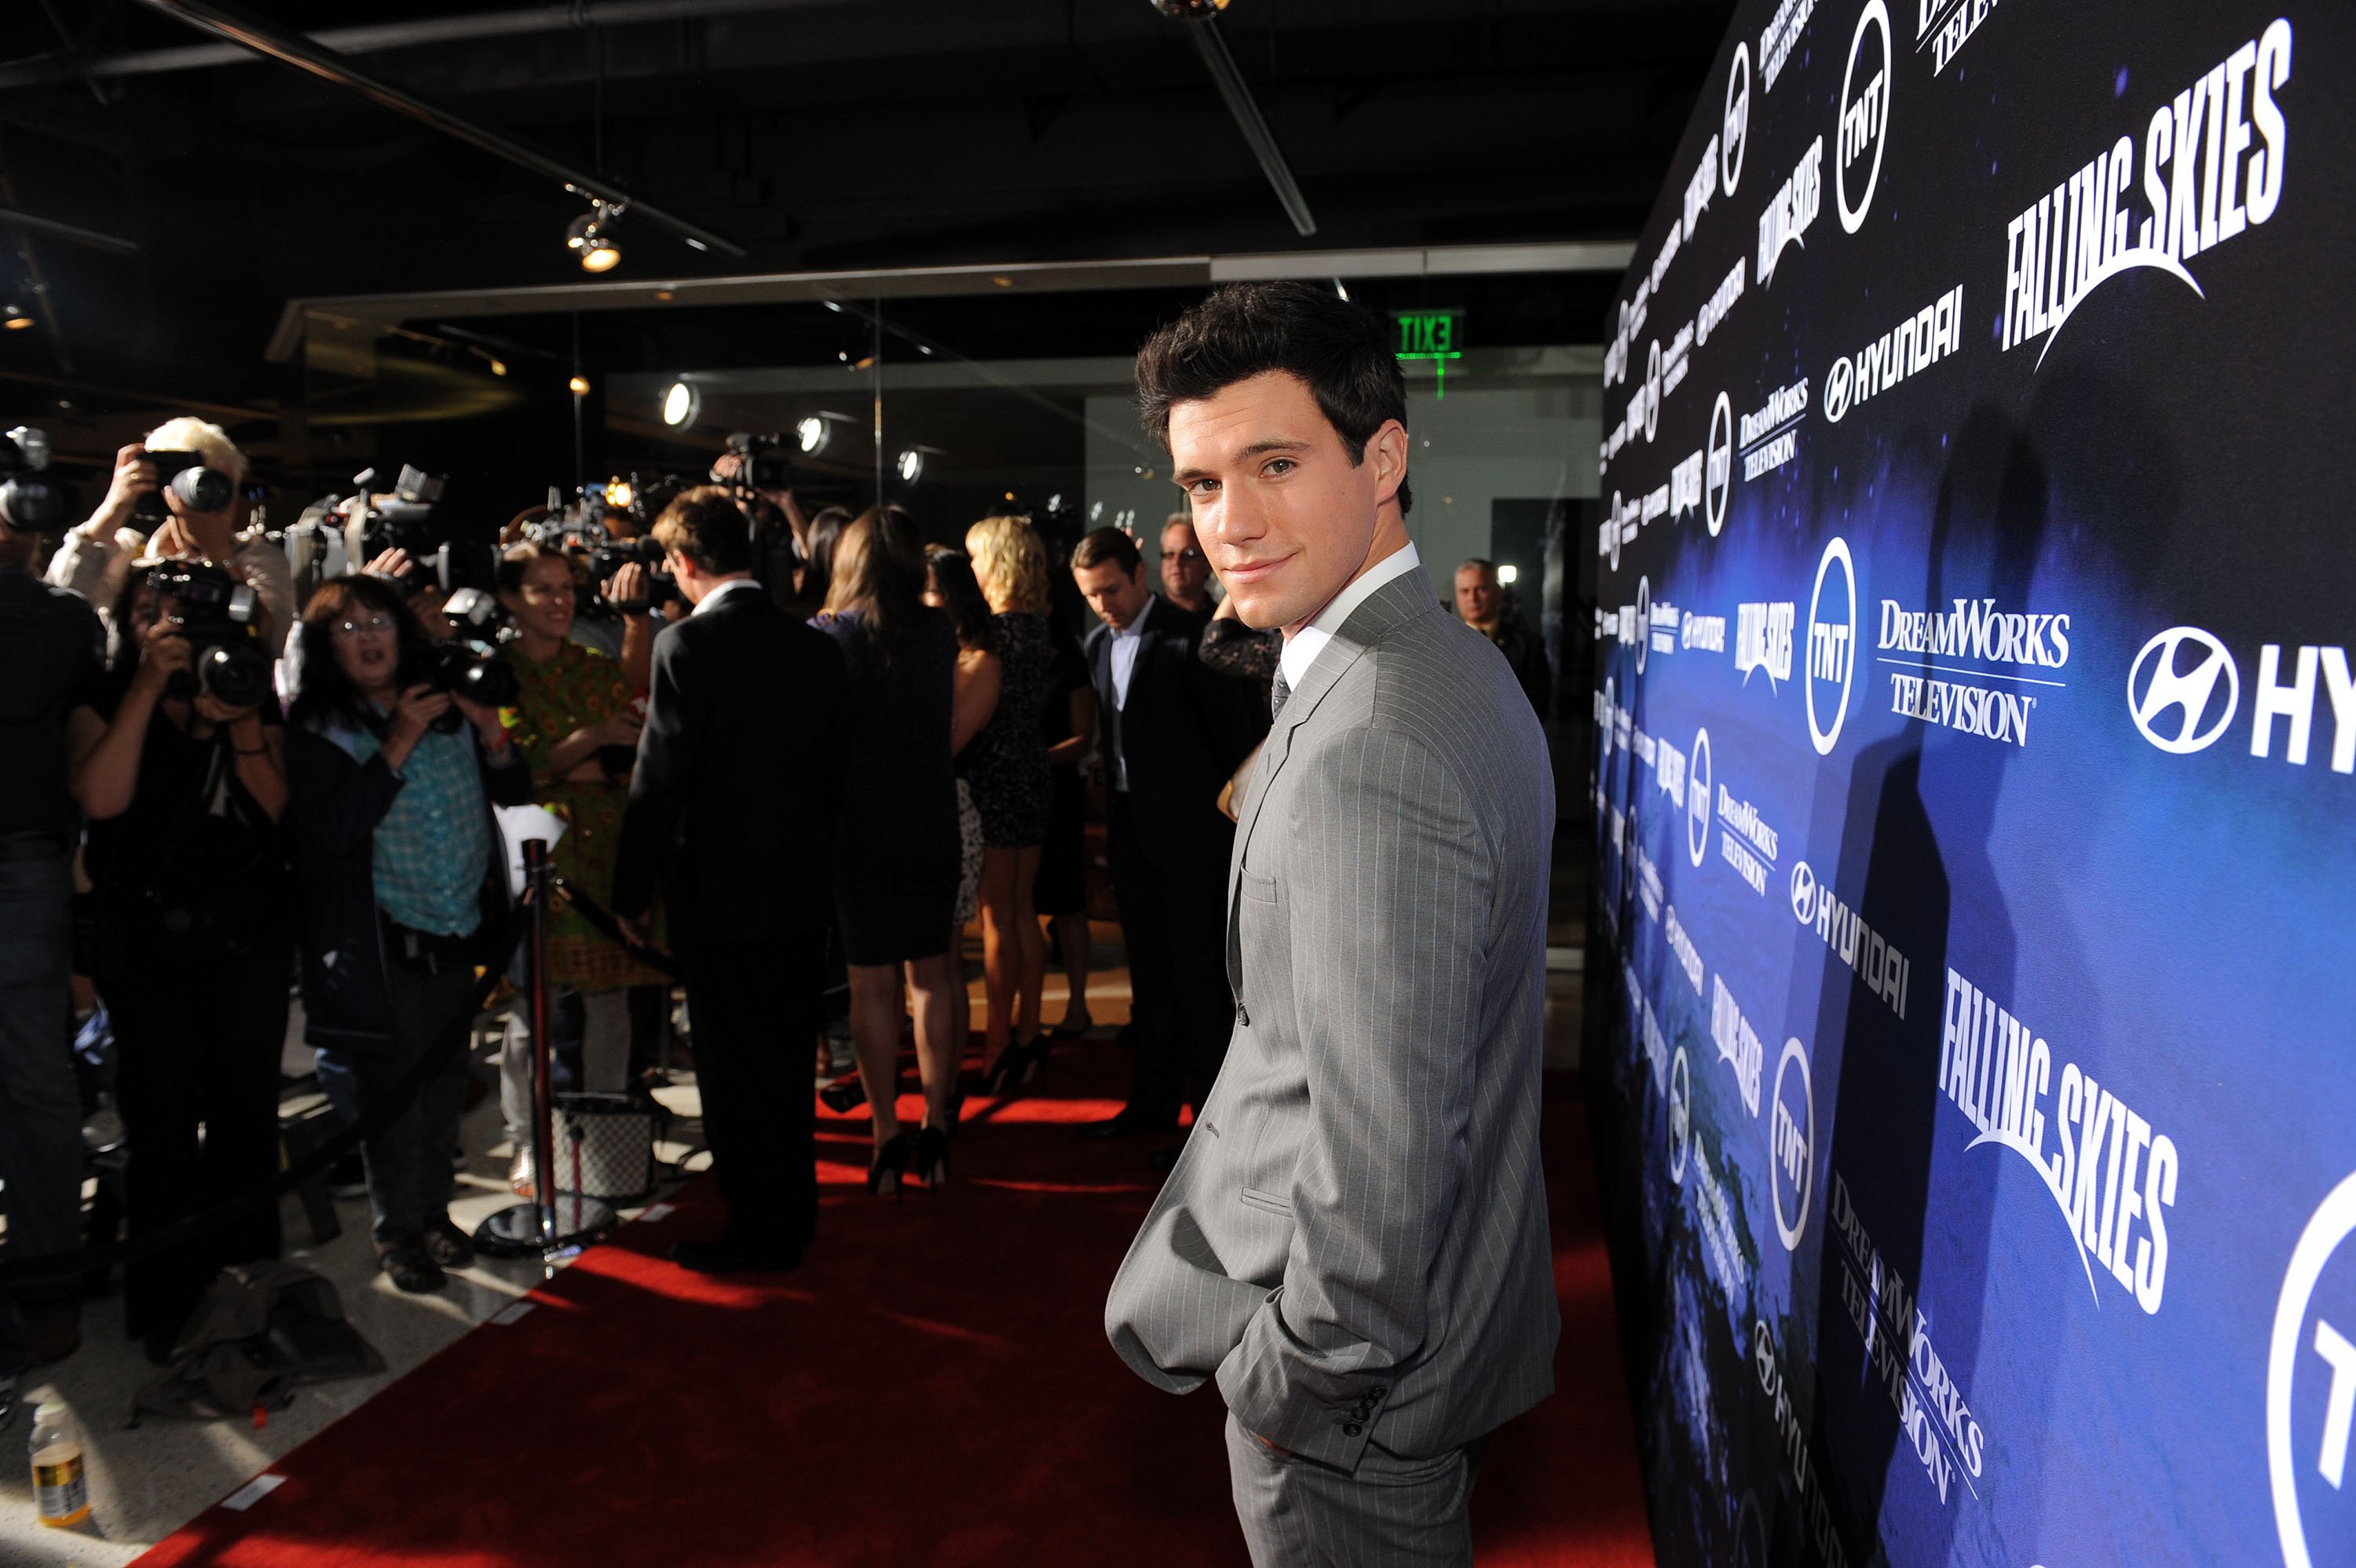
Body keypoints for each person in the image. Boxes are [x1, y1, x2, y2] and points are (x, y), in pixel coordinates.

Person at [1105, 282, 1559, 1565]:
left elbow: (1385, 1161)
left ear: (1385, 456)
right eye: (1200, 483)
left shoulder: (1377, 734)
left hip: (1359, 1416)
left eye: (1275, 463)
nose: (1229, 523)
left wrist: (1289, 1384)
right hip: (1432, 1353)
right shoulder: (1434, 664)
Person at [614, 487, 847, 1271]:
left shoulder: (684, 645)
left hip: (718, 902)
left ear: (683, 563)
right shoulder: (814, 646)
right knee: (784, 1066)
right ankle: (793, 1216)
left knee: (732, 1074)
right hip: (800, 895)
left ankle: (757, 1231)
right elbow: (835, 777)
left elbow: (657, 783)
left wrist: (627, 893)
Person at [68, 561, 294, 1353]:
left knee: (244, 1117)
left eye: (185, 611)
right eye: (150, 611)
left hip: (244, 937)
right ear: (129, 623)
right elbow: (101, 800)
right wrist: (145, 690)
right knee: (161, 1125)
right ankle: (165, 1309)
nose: (169, 624)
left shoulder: (240, 683)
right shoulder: (102, 696)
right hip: (147, 942)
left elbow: (271, 807)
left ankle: (252, 1292)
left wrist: (237, 718)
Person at [285, 574, 529, 1296]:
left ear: (404, 631)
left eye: (379, 622)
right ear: (327, 647)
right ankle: (398, 1231)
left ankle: (433, 1214)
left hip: (460, 935)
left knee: (447, 1089)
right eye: (349, 628)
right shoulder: (320, 729)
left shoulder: (445, 704)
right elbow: (333, 832)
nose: (367, 637)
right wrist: (398, 737)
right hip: (385, 945)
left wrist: (490, 733)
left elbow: (514, 802)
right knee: (391, 1100)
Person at [1070, 527, 1264, 1145]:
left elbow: (1234, 744)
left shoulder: (1191, 642)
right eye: (1090, 594)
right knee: (1149, 980)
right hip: (1131, 837)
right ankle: (1149, 1110)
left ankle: (1209, 1131)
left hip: (1193, 843)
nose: (1103, 604)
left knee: (1198, 982)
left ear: (1138, 576)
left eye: (1110, 589)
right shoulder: (1099, 645)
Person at [491, 544, 671, 1198]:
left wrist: (584, 750)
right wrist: (589, 743)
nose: (561, 600)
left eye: (567, 587)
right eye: (542, 590)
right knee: (531, 1012)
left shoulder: (594, 667)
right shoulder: (497, 674)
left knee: (611, 1002)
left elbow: (628, 746)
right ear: (510, 599)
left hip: (604, 853)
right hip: (537, 856)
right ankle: (528, 1144)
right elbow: (521, 767)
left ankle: (602, 1134)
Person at [806, 507, 964, 1194]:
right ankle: (938, 1125)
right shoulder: (936, 629)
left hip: (857, 825)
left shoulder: (828, 636)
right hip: (927, 816)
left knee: (871, 984)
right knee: (932, 976)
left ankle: (883, 1133)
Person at [0, 495, 104, 1403]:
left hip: (19, 868)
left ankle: (44, 1284)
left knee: (35, 1083)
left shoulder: (51, 617)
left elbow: (29, 681)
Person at [46, 418, 298, 656]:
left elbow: (272, 640)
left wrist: (220, 554)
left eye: (225, 483)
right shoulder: (131, 555)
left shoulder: (257, 556)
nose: (216, 495)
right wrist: (114, 507)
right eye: (204, 481)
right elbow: (61, 602)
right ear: (166, 487)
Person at [963, 515, 1056, 1092]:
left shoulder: (993, 635)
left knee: (1000, 916)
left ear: (996, 560)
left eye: (974, 556)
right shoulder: (1039, 627)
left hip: (997, 773)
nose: (968, 567)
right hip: (1033, 768)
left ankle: (997, 1042)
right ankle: (1026, 1032)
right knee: (1022, 910)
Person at [922, 545, 1000, 1067]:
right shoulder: (930, 652)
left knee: (943, 959)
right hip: (922, 809)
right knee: (931, 961)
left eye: (926, 588)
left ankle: (946, 1087)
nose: (918, 600)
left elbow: (943, 742)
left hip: (951, 811)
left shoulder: (980, 660)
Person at [1034, 619, 1099, 1038]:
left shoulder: (1072, 672)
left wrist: (1034, 759)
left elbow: (1082, 739)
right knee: (1021, 912)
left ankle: (1078, 1005)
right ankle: (1028, 1012)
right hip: (1028, 796)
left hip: (1060, 796)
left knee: (1069, 907)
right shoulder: (1018, 668)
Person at [1454, 557, 1552, 719]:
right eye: (1465, 591)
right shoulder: (1442, 644)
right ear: (1457, 596)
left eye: (1481, 589)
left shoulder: (1528, 645)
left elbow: (1538, 705)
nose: (1472, 598)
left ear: (1498, 592)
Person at [1158, 513, 1213, 615]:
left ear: (1208, 563)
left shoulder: (1225, 621)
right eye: (1170, 554)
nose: (1176, 563)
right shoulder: (1143, 621)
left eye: (1188, 554)